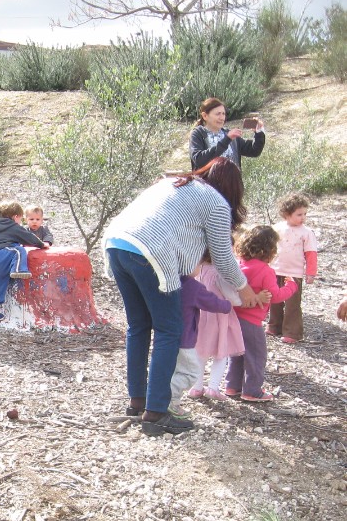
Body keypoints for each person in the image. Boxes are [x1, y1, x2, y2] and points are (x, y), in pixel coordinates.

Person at [102, 157, 266, 436]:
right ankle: (156, 412)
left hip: (117, 243)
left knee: (139, 327)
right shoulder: (216, 203)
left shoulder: (176, 183)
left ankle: (137, 401)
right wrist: (244, 289)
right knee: (170, 330)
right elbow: (224, 259)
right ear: (234, 188)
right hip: (149, 252)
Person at [226, 226, 298, 402]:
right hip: (251, 321)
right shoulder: (266, 270)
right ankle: (252, 390)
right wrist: (291, 286)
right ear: (270, 250)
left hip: (235, 317)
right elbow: (275, 296)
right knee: (256, 356)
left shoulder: (240, 265)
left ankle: (232, 386)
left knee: (237, 353)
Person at [168, 265, 232, 414]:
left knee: (173, 370)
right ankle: (166, 399)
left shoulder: (170, 282)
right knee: (189, 373)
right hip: (185, 339)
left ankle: (166, 399)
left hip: (166, 336)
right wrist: (229, 304)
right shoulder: (192, 286)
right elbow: (214, 303)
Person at [189, 254, 246, 401]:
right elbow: (231, 297)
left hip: (202, 314)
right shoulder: (220, 272)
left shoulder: (199, 268)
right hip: (220, 314)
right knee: (221, 353)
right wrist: (243, 300)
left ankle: (196, 387)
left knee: (201, 351)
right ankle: (213, 388)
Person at [268, 193, 318, 344]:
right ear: (287, 214)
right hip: (275, 270)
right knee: (274, 300)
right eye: (299, 214)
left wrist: (310, 273)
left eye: (305, 214)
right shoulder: (276, 228)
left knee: (292, 304)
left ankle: (292, 332)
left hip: (294, 273)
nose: (303, 217)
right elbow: (269, 248)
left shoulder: (306, 233)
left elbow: (311, 254)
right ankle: (274, 326)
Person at [0, 200, 46, 323]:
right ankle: (19, 269)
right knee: (18, 250)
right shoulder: (12, 226)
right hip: (1, 254)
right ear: (15, 217)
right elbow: (28, 237)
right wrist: (41, 244)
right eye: (21, 218)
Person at [189, 97, 265, 171]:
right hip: (206, 183)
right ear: (205, 116)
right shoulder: (198, 134)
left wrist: (259, 133)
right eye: (218, 114)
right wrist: (227, 139)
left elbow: (254, 151)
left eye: (223, 114)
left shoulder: (229, 134)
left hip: (231, 183)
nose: (222, 118)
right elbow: (199, 160)